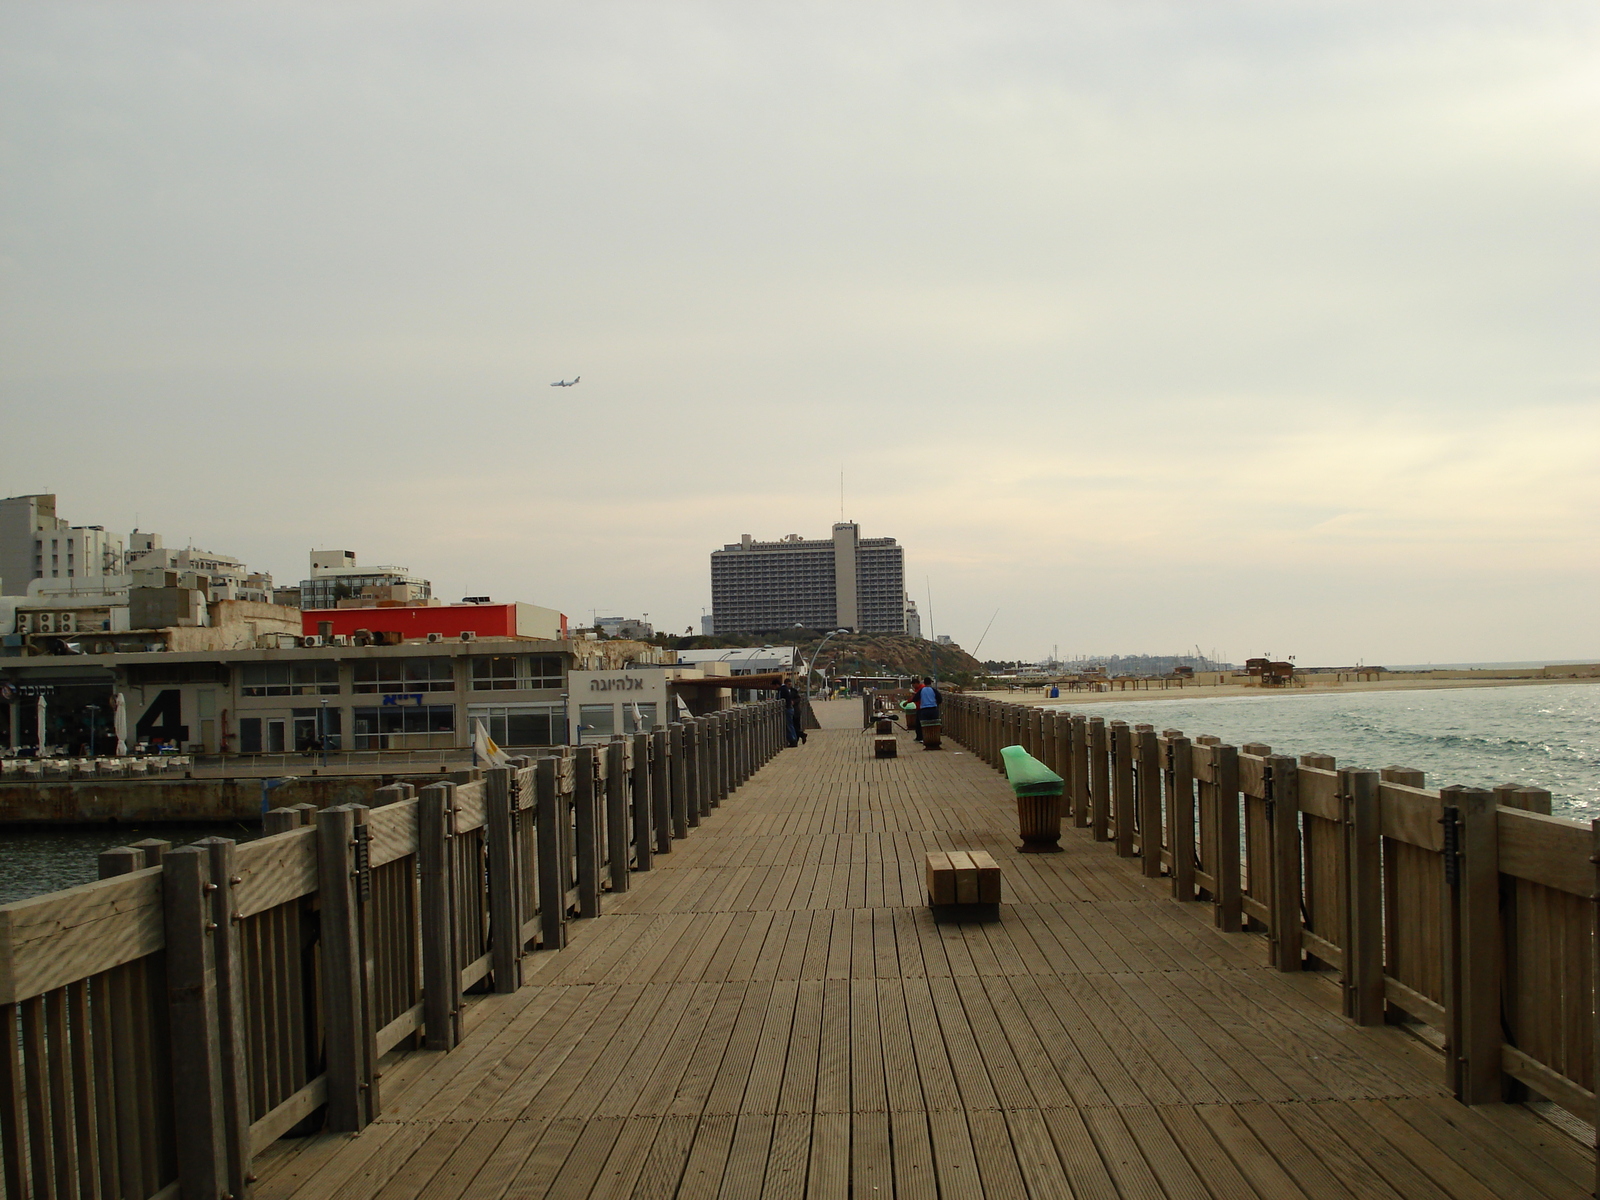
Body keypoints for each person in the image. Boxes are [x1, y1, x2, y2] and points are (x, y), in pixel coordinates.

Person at [916, 677, 942, 749]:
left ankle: (927, 741)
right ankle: (936, 741)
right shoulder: (933, 690)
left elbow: (915, 698)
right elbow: (940, 698)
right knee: (935, 726)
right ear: (931, 683)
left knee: (925, 727)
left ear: (924, 683)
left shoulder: (921, 690)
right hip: (933, 709)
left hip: (924, 710)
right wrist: (936, 703)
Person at [777, 678, 803, 747]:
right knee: (792, 726)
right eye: (789, 684)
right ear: (785, 684)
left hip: (794, 710)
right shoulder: (784, 690)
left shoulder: (793, 691)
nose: (790, 686)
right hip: (791, 710)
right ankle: (799, 737)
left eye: (791, 684)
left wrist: (793, 702)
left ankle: (795, 739)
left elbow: (798, 698)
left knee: (793, 726)